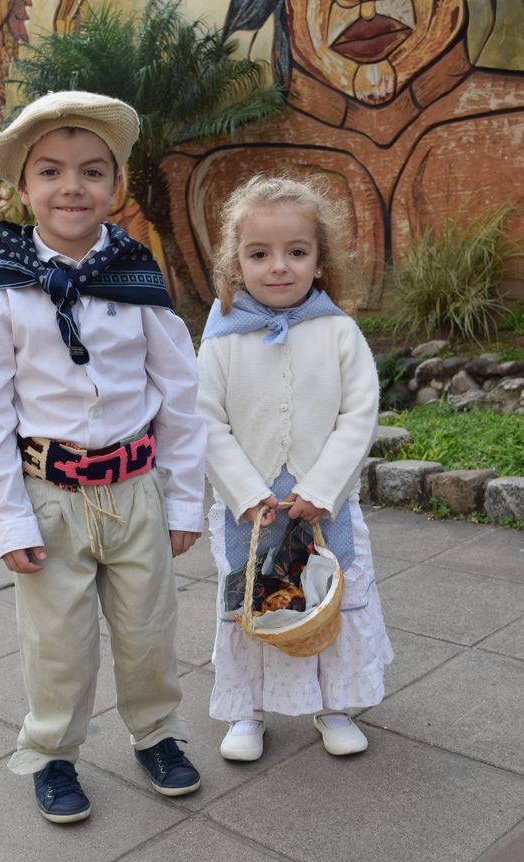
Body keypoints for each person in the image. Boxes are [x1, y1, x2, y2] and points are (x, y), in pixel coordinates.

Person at [0, 91, 206, 823]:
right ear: (22, 187)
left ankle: (156, 733)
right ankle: (53, 752)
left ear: (115, 184)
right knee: (56, 641)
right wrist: (9, 520)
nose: (73, 187)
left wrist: (184, 501)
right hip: (49, 496)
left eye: (93, 171)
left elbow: (180, 395)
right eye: (51, 171)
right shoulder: (2, 292)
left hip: (136, 491)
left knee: (149, 631)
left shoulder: (136, 276)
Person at [196, 174, 393, 762]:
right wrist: (244, 492)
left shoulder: (340, 333)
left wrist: (322, 489)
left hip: (322, 504)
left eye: (296, 252)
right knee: (251, 601)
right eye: (259, 254)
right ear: (236, 263)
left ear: (319, 260)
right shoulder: (220, 338)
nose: (278, 266)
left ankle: (335, 704)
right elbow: (205, 420)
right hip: (251, 508)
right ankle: (247, 711)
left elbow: (358, 415)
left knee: (327, 598)